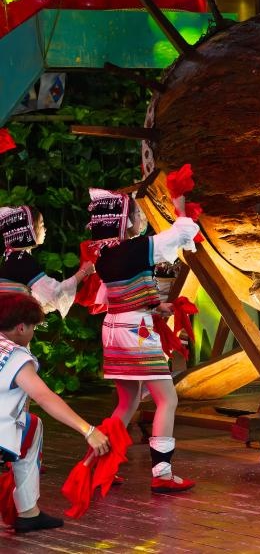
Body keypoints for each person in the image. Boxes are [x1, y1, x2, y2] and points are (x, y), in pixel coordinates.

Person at [87, 188, 199, 493]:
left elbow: (124, 294)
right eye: (136, 213)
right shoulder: (137, 248)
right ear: (124, 221)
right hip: (136, 332)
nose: (140, 218)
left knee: (127, 402)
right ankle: (162, 473)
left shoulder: (104, 255)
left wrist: (156, 306)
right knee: (167, 399)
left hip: (114, 327)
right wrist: (180, 208)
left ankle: (101, 466)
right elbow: (182, 233)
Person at [0, 292, 110, 533]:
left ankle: (29, 512)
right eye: (33, 327)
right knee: (30, 425)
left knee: (32, 424)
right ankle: (27, 512)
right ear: (21, 328)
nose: (33, 332)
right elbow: (44, 396)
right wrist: (88, 430)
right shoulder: (15, 356)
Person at [0, 205, 93, 315]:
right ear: (29, 229)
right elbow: (57, 293)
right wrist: (84, 271)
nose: (45, 229)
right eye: (42, 225)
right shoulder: (23, 260)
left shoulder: (11, 257)